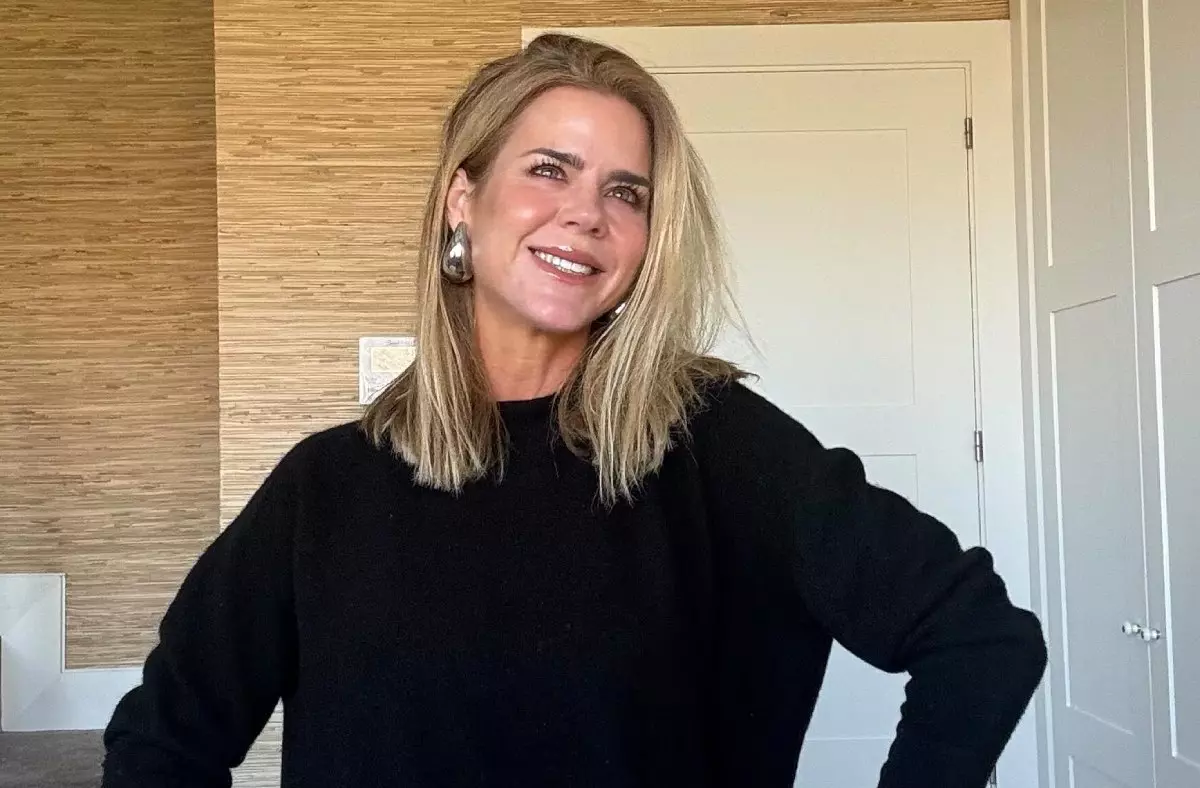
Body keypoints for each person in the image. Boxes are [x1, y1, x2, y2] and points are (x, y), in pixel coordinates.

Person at [101, 33, 1047, 788]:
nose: (587, 213)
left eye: (624, 192)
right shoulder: (326, 486)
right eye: (549, 169)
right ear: (462, 199)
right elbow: (165, 738)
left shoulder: (715, 446)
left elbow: (979, 637)